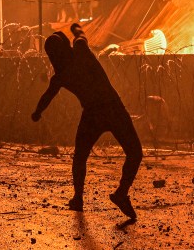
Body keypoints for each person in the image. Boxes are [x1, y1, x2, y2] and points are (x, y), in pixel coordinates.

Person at [31, 23, 142, 220]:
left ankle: (78, 198)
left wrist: (37, 113)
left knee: (80, 156)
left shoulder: (60, 76)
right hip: (112, 107)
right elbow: (80, 34)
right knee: (134, 152)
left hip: (92, 114)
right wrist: (75, 28)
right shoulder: (80, 50)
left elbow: (46, 97)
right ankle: (121, 193)